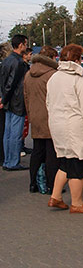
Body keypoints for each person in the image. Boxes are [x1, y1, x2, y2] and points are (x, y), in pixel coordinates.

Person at [46, 44, 83, 214]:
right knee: (78, 166)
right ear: (79, 59)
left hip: (58, 126)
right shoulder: (81, 78)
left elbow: (49, 104)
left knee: (65, 162)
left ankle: (55, 197)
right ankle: (77, 203)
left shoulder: (54, 77)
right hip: (77, 128)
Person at [23, 46, 60, 192]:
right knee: (52, 152)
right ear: (51, 58)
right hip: (50, 117)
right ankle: (52, 184)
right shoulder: (52, 75)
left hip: (35, 116)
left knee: (38, 150)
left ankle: (34, 183)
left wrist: (31, 114)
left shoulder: (28, 74)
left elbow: (26, 96)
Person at [1, 34, 29, 171]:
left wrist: (3, 99)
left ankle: (7, 160)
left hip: (8, 102)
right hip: (17, 101)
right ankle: (13, 161)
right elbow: (12, 84)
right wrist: (5, 98)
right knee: (16, 134)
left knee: (8, 133)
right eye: (25, 44)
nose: (26, 47)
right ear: (21, 45)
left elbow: (4, 83)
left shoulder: (7, 60)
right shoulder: (19, 63)